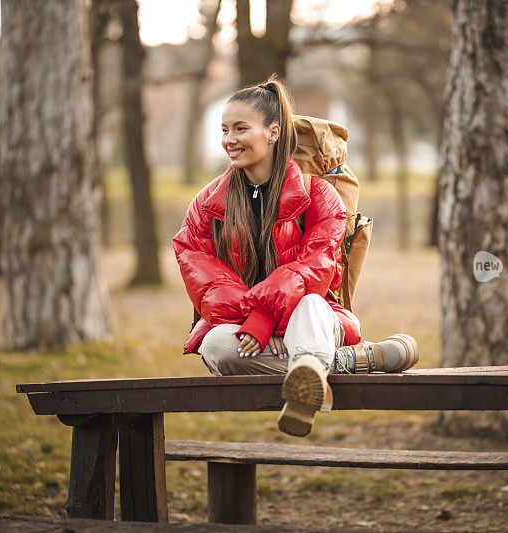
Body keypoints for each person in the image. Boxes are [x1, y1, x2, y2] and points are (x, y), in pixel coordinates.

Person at [172, 75, 419, 437]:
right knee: (215, 345)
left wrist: (265, 319)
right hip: (248, 329)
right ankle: (338, 363)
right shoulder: (207, 205)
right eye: (224, 130)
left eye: (241, 128)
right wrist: (259, 320)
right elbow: (207, 284)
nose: (229, 140)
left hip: (311, 318)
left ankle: (309, 373)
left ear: (273, 132)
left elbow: (316, 271)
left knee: (311, 307)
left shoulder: (319, 196)